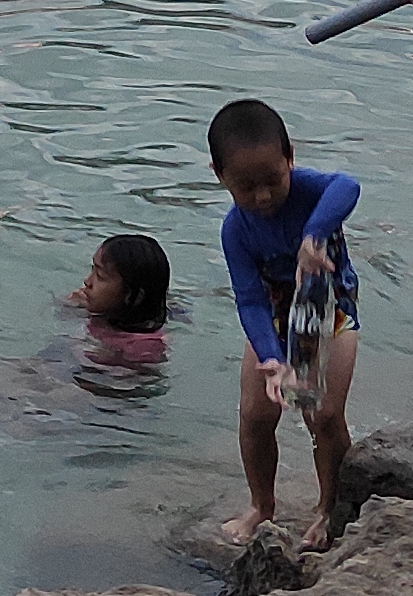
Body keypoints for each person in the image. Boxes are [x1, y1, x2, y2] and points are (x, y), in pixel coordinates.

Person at [209, 96, 361, 551]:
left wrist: (313, 236)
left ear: (290, 159)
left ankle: (328, 508)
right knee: (256, 414)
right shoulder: (236, 230)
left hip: (328, 312)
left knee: (323, 413)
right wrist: (273, 360)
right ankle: (262, 505)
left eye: (272, 180)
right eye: (244, 187)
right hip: (275, 319)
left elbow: (348, 186)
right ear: (219, 178)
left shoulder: (311, 190)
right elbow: (249, 300)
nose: (261, 196)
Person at [68, 233, 172, 370]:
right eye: (92, 269)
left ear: (130, 295)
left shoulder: (142, 349)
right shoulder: (106, 311)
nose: (87, 281)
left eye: (100, 276)